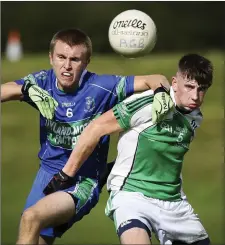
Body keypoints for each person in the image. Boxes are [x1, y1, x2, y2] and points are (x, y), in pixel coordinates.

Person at [1, 28, 174, 245]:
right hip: (46, 175)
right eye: (61, 57)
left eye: (75, 59)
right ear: (51, 57)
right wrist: (24, 90)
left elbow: (156, 79)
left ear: (87, 61)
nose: (67, 66)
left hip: (82, 181)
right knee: (32, 235)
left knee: (30, 218)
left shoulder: (102, 87)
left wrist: (160, 93)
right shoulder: (41, 82)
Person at [31, 53, 212, 245]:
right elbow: (96, 128)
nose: (195, 96)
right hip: (132, 197)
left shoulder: (195, 117)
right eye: (190, 87)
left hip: (174, 202)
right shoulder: (149, 103)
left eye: (202, 90)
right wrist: (66, 174)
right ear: (175, 83)